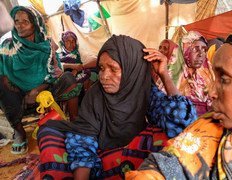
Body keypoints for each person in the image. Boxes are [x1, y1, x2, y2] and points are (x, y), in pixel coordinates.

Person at [126, 26, 232, 179]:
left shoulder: (203, 78)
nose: (210, 92)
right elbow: (172, 162)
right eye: (196, 49)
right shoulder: (210, 129)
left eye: (224, 79)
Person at [37, 35, 197, 179]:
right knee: (48, 133)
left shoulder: (143, 91)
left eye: (113, 69)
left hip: (135, 153)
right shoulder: (95, 94)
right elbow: (83, 137)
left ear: (132, 70)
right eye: (101, 68)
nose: (104, 76)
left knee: (168, 137)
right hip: (99, 155)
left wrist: (164, 74)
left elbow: (183, 122)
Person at [0, 6, 80, 154]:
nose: (19, 25)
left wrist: (38, 89)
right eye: (16, 21)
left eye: (25, 21)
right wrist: (21, 90)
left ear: (35, 24)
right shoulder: (6, 46)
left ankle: (74, 122)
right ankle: (19, 132)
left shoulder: (47, 44)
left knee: (68, 78)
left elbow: (56, 71)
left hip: (45, 92)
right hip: (18, 97)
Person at [171, 31, 214, 116]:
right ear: (185, 51)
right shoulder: (171, 77)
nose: (201, 54)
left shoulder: (208, 77)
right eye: (196, 49)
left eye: (204, 49)